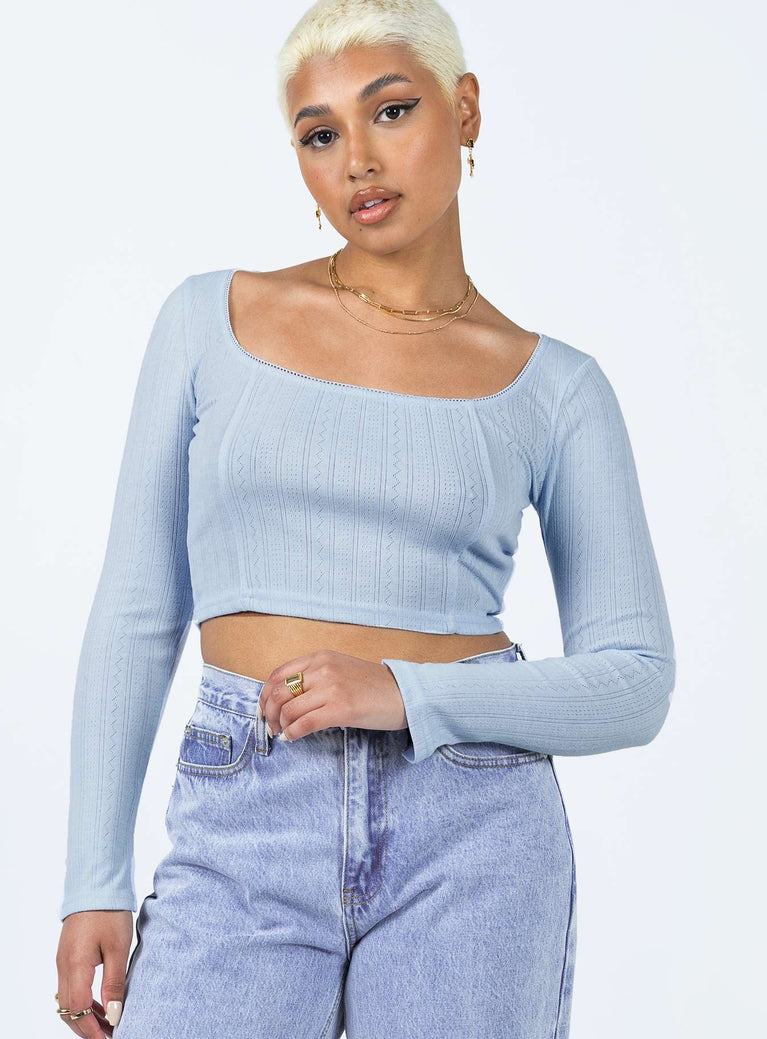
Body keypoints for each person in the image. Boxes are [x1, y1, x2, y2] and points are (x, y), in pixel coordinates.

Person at [54, 1, 676, 1036]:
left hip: (473, 827)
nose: (357, 161)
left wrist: (405, 693)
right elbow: (137, 608)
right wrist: (93, 880)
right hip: (244, 812)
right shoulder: (207, 323)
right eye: (319, 133)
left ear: (463, 109)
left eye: (390, 110)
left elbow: (636, 679)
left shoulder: (556, 389)